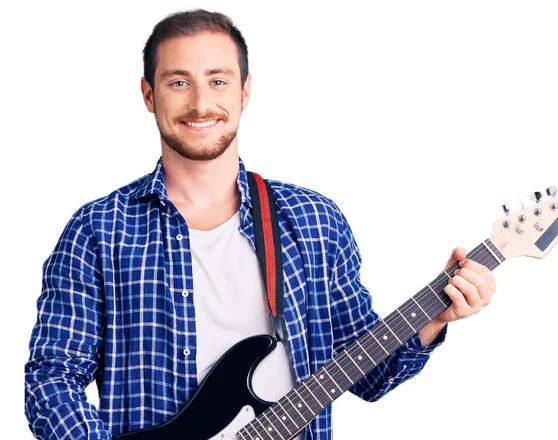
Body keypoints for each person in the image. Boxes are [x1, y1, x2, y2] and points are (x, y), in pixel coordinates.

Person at [24, 8, 496, 440]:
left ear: (246, 90)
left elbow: (368, 376)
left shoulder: (314, 221)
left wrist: (437, 315)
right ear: (148, 94)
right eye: (178, 82)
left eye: (218, 80)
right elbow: (51, 377)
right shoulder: (97, 230)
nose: (201, 103)